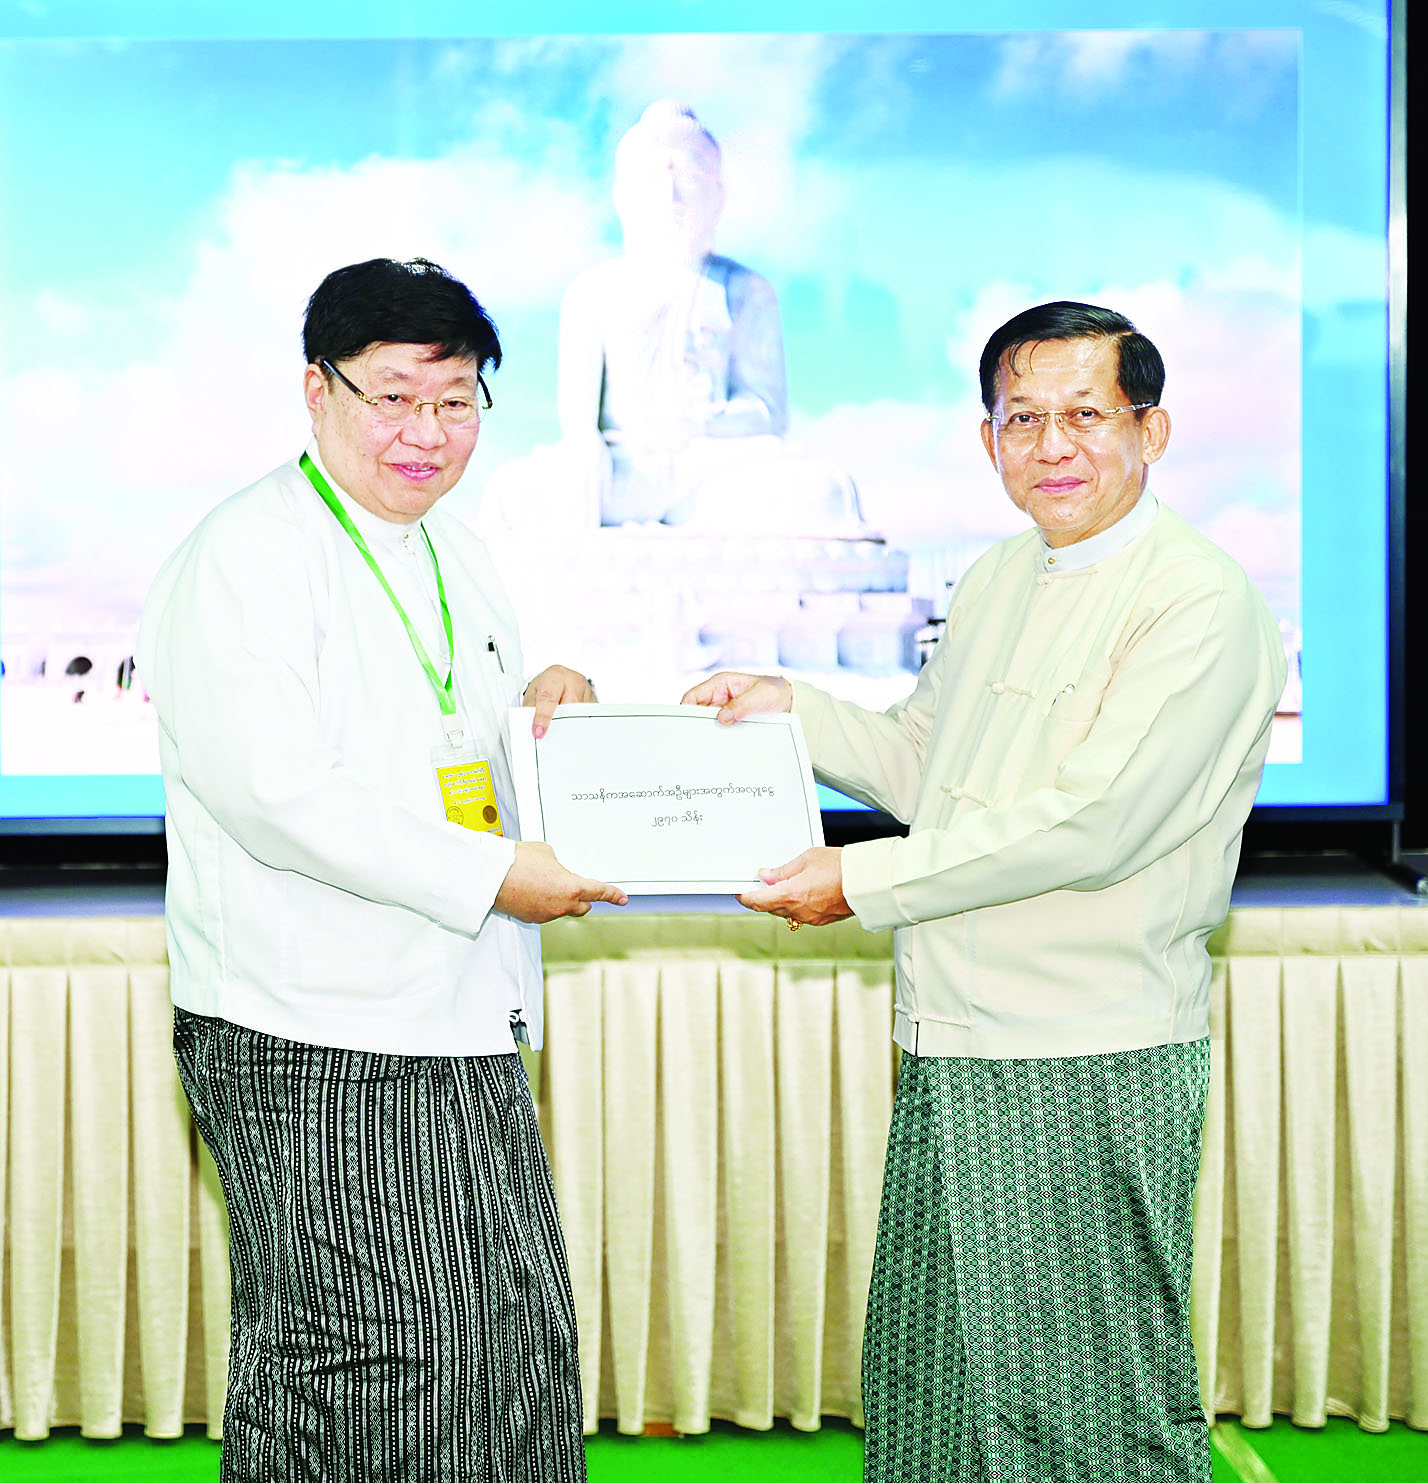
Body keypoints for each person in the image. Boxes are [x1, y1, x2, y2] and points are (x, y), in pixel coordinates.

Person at [684, 301, 1285, 1482]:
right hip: (948, 1034)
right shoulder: (999, 573)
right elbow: (930, 764)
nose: (1052, 445)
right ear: (987, 439)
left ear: (1151, 430)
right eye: (1022, 418)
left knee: (1089, 1399)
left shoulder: (1197, 601)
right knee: (935, 1385)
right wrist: (792, 711)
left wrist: (860, 879)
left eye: (1085, 415)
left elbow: (1094, 822)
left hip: (1084, 1048)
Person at [138, 257, 626, 1482]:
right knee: (371, 1366)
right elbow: (276, 794)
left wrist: (544, 708)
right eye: (394, 398)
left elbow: (441, 741)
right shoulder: (246, 552)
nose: (426, 432)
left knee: (508, 1348)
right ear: (319, 391)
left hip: (459, 1009)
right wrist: (495, 875)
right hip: (312, 1026)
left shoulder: (456, 550)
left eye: (455, 401)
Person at [488, 100, 859, 533]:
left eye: (689, 178)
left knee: (822, 493)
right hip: (622, 472)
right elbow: (579, 422)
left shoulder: (746, 290)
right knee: (513, 492)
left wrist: (700, 424)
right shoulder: (592, 291)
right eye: (653, 180)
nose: (671, 196)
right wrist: (586, 455)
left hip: (715, 468)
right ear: (622, 197)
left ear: (718, 196)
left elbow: (769, 412)